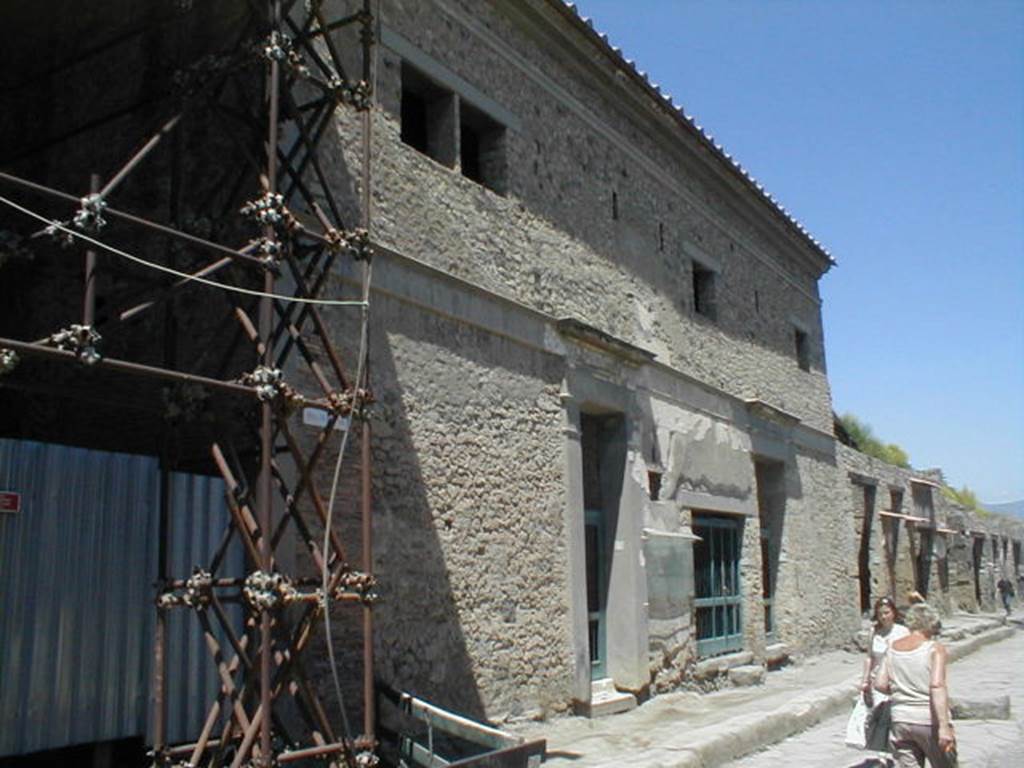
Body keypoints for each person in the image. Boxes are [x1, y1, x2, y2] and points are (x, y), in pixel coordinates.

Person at [875, 602, 955, 768]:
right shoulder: (934, 649)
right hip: (928, 720)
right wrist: (944, 726)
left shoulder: (892, 648)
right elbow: (937, 685)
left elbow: (880, 684)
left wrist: (901, 692)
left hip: (900, 720)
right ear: (930, 624)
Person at [860, 597, 910, 759]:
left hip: (896, 679)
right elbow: (869, 657)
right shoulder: (874, 633)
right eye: (880, 613)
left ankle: (898, 749)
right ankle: (884, 752)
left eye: (887, 613)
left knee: (895, 716)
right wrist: (865, 680)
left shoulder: (902, 632)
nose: (883, 617)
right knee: (879, 716)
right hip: (877, 680)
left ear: (894, 613)